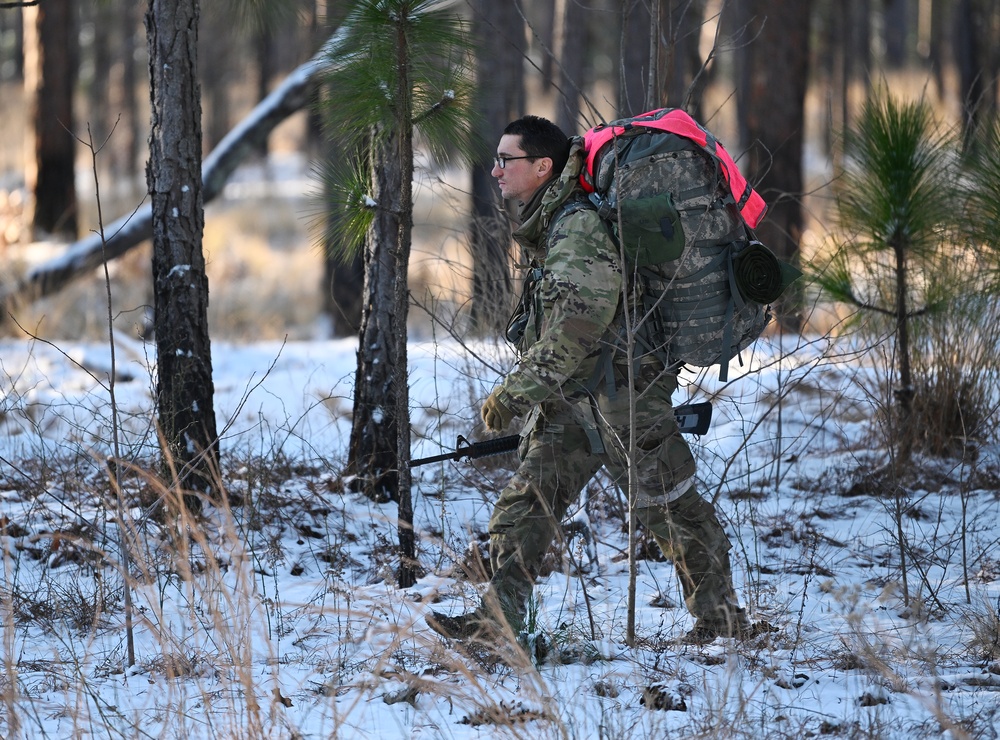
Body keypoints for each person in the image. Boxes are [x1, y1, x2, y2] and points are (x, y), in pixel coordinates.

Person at [428, 115, 753, 647]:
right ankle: (497, 624)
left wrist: (514, 392)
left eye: (505, 160)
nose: (495, 171)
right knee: (526, 504)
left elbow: (578, 324)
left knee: (669, 507)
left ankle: (721, 624)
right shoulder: (553, 221)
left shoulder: (575, 226)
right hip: (576, 396)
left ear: (542, 166)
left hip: (623, 395)